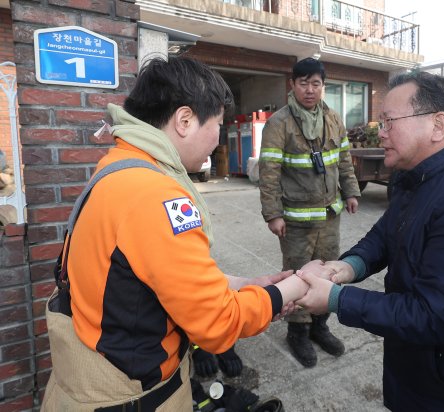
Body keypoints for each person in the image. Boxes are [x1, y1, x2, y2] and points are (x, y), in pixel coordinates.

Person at [41, 57, 311, 411]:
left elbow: (160, 275)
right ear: (184, 121)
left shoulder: (119, 167)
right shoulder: (156, 196)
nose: (218, 138)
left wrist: (246, 283)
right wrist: (293, 288)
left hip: (89, 373)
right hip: (129, 395)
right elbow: (217, 323)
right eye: (217, 123)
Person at [296, 71, 444, 411]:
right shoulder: (419, 177)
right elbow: (385, 234)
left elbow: (434, 317)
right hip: (425, 379)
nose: (380, 133)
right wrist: (347, 267)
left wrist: (337, 299)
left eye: (389, 122)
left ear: (437, 125)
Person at [258, 57, 361, 367]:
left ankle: (320, 327)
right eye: (303, 83)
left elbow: (343, 159)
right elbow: (269, 171)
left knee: (329, 271)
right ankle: (298, 333)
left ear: (322, 86)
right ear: (293, 85)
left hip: (330, 216)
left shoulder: (333, 118)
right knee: (298, 273)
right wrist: (273, 213)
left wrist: (352, 191)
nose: (310, 89)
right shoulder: (280, 122)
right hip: (296, 220)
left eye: (315, 83)